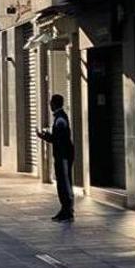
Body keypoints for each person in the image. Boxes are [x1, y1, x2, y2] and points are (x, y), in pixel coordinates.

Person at [37, 94, 76, 222]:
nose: (49, 105)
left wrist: (45, 136)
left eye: (50, 103)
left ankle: (67, 211)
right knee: (63, 183)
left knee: (64, 183)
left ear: (54, 104)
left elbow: (58, 139)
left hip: (63, 156)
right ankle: (65, 210)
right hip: (63, 155)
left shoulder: (60, 119)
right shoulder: (60, 118)